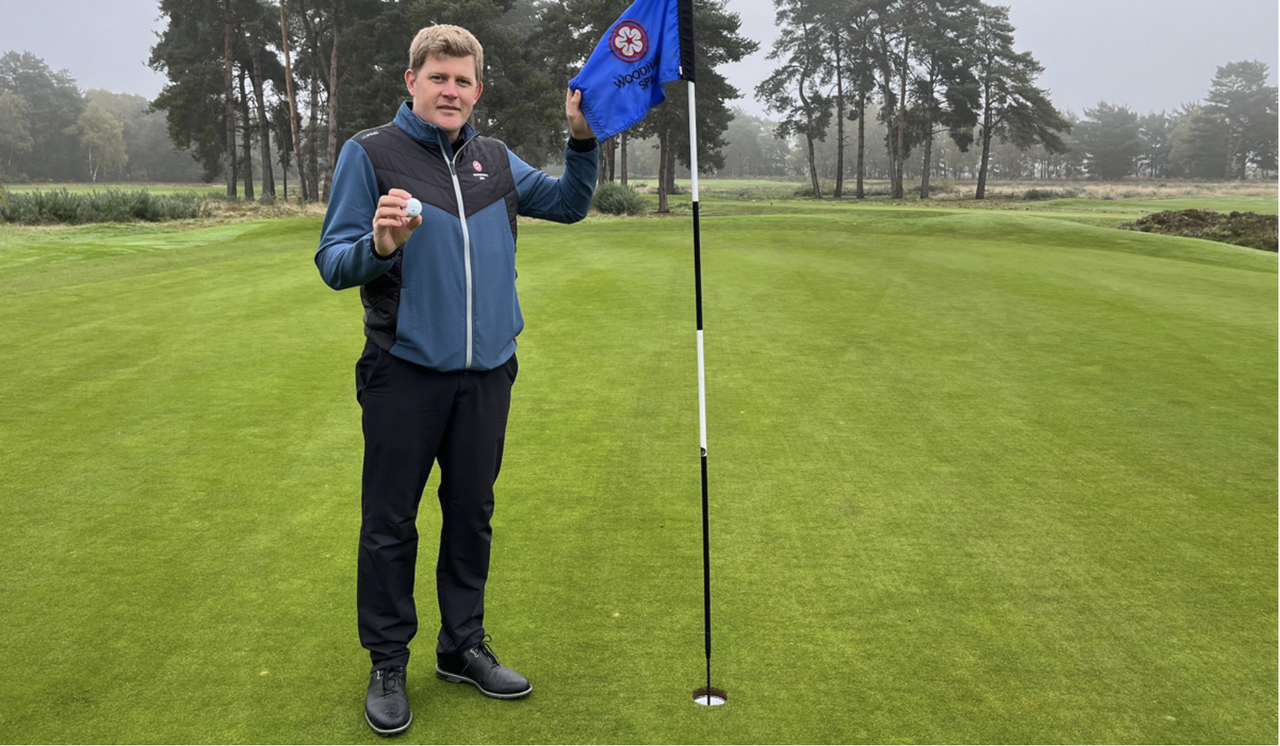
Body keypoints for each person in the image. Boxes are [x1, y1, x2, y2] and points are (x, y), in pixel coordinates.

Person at [314, 24, 598, 736]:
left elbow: (567, 202)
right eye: (438, 77)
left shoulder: (495, 161)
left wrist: (583, 140)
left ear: (478, 89)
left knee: (472, 512)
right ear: (412, 81)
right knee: (390, 525)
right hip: (403, 371)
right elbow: (333, 260)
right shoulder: (371, 154)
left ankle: (461, 646)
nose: (451, 90)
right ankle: (387, 662)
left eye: (463, 80)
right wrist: (379, 247)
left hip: (487, 374)